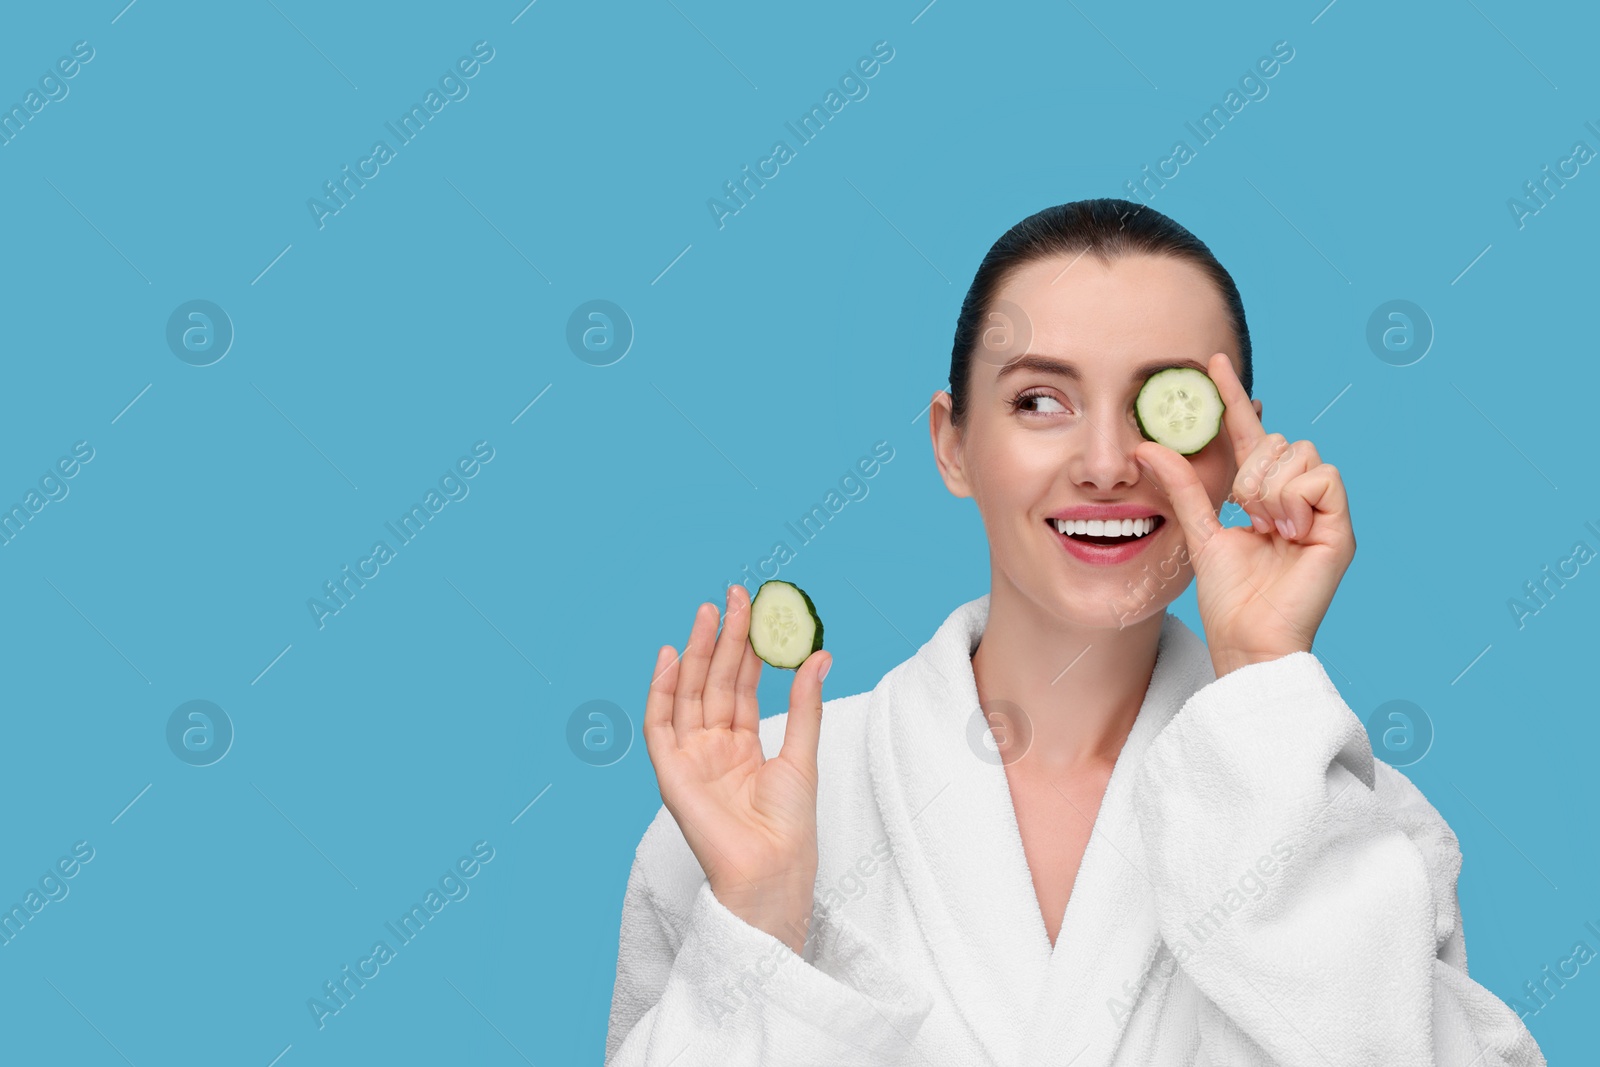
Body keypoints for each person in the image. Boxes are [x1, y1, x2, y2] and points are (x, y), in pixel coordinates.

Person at [604, 199, 1547, 1065]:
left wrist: (1264, 678)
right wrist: (760, 918)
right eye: (1039, 401)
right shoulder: (748, 807)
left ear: (1239, 448)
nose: (1104, 466)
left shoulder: (1348, 816)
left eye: (1164, 402)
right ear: (952, 442)